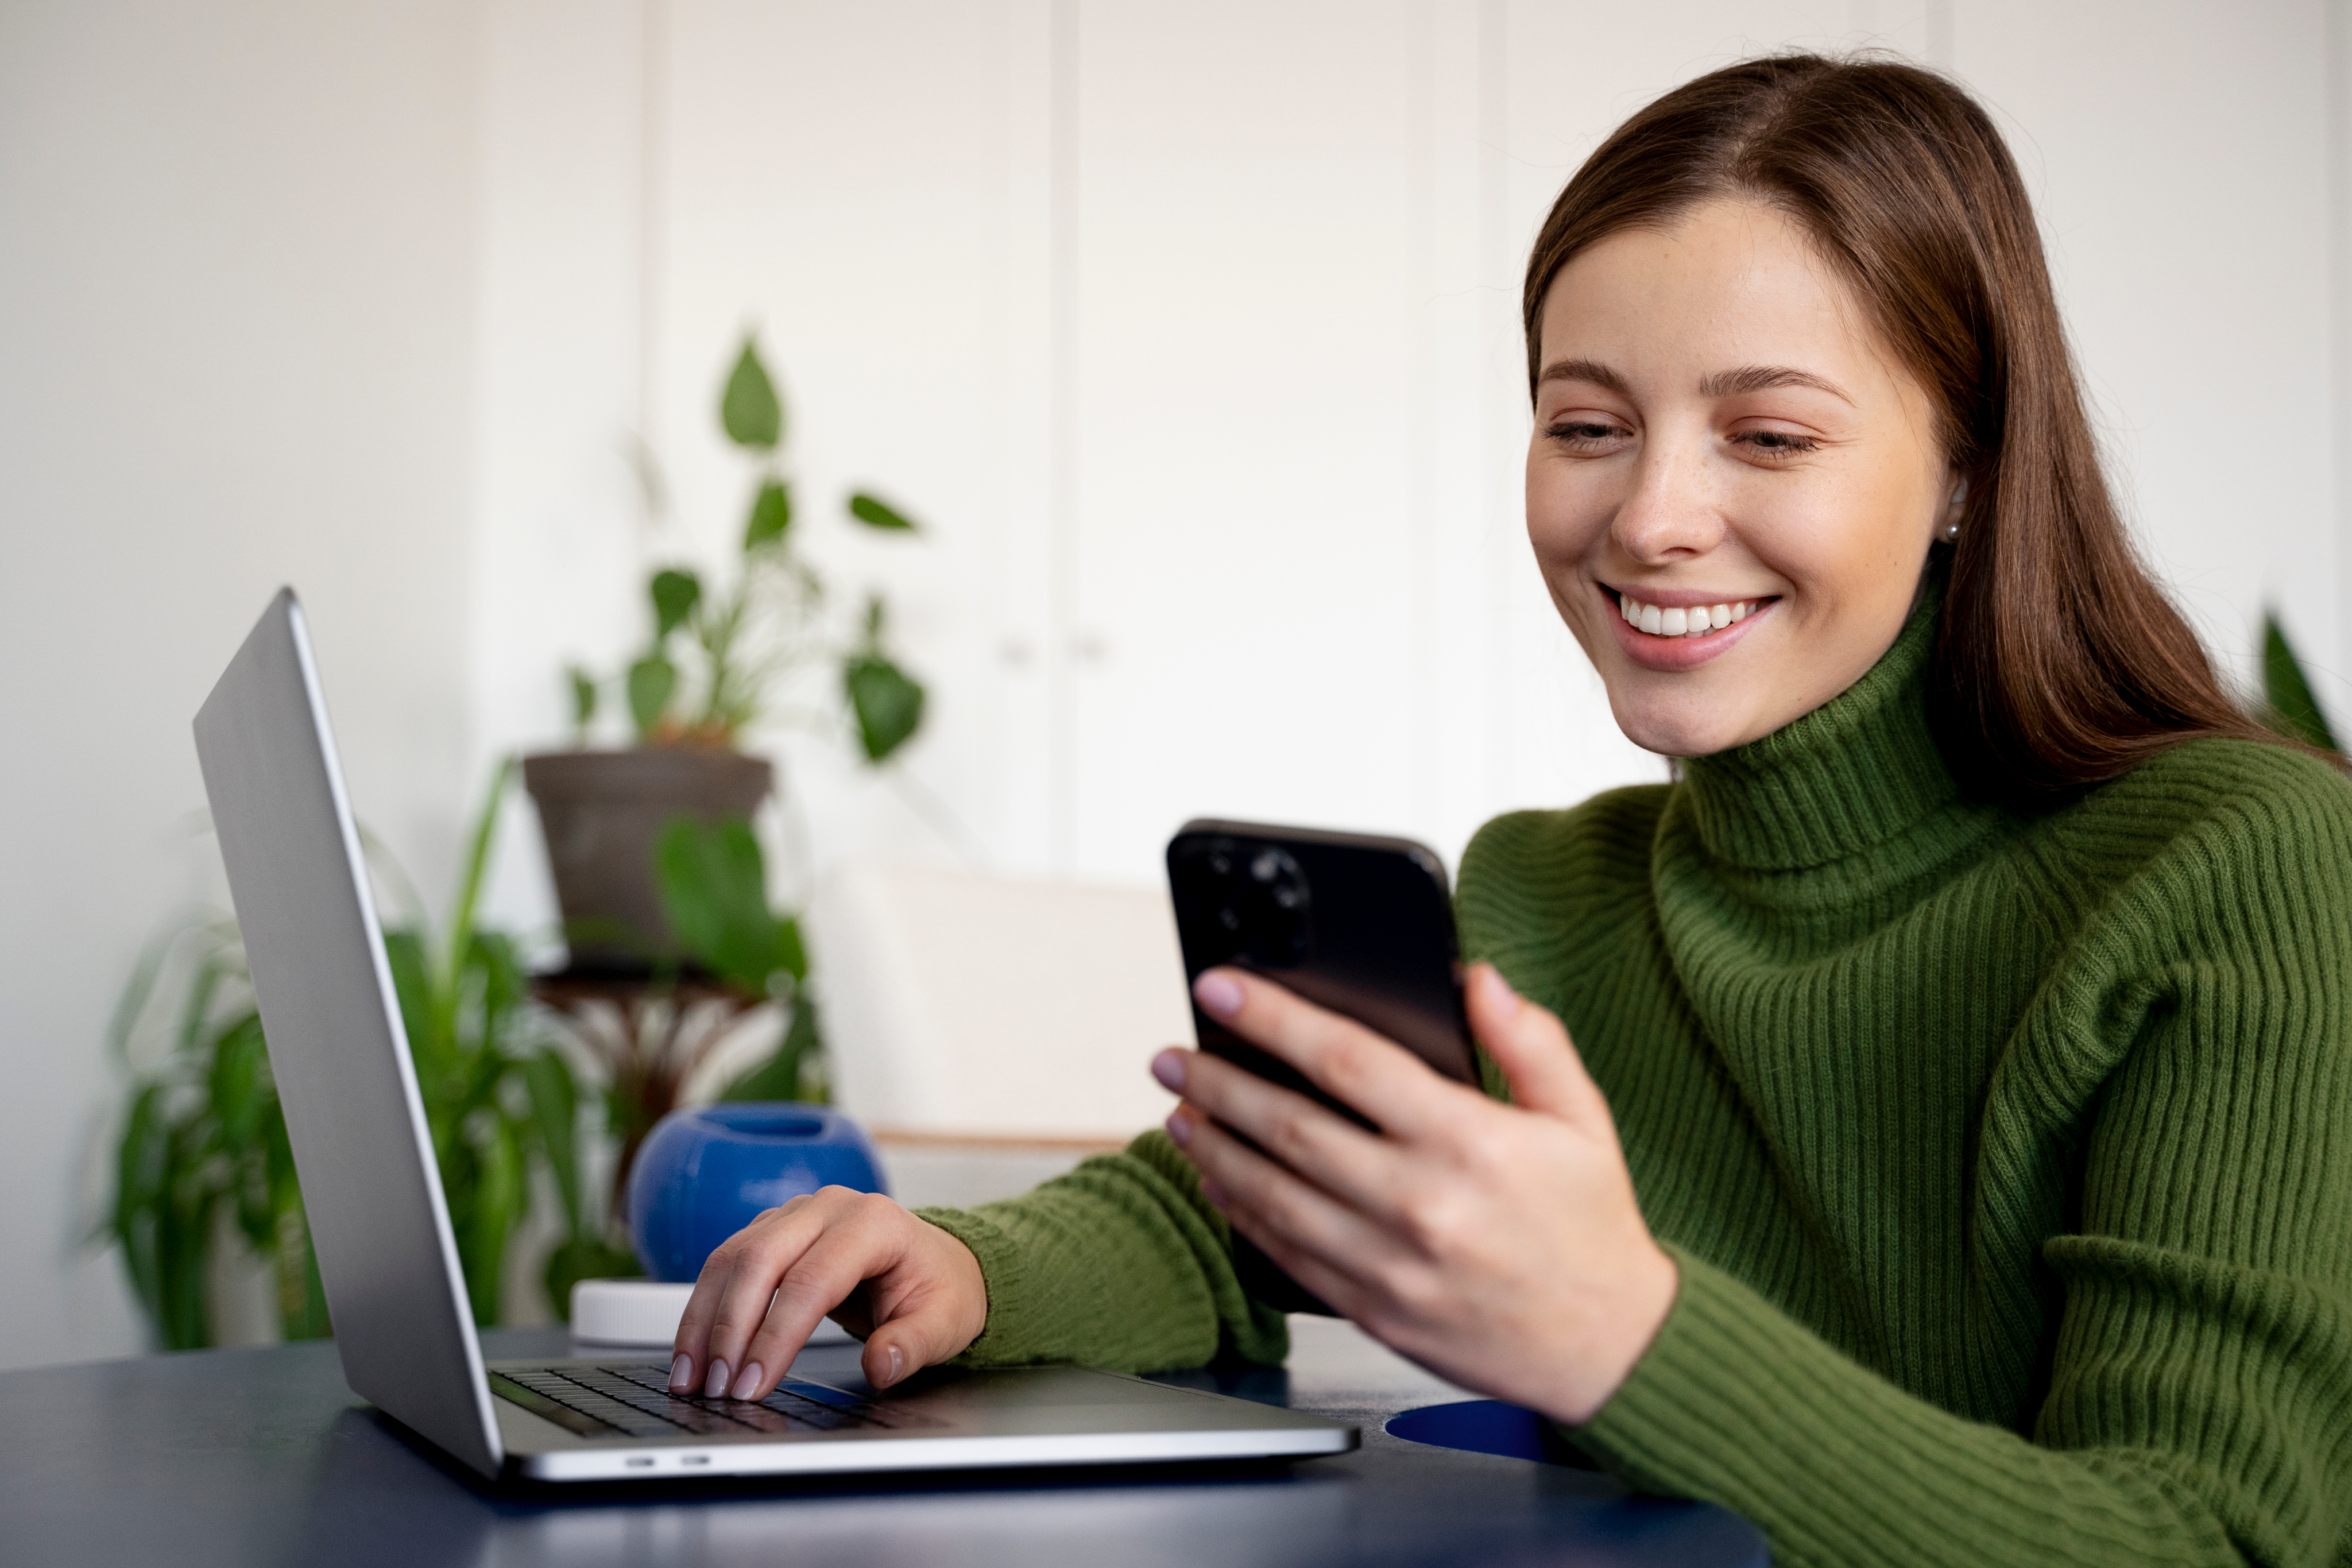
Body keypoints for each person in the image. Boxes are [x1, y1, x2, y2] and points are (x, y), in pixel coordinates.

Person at [668, 54, 2352, 1567]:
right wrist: (965, 1267)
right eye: (1586, 425)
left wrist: (1623, 1330)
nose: (1653, 517)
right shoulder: (1552, 895)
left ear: (1971, 464)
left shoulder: (2242, 866)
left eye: (1768, 432)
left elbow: (2204, 1535)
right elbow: (1240, 1216)